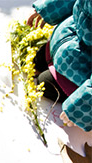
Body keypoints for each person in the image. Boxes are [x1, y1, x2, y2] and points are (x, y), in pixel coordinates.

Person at [27, 0, 92, 132]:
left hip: (83, 71)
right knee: (37, 62)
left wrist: (81, 107)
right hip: (71, 36)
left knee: (43, 84)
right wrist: (49, 8)